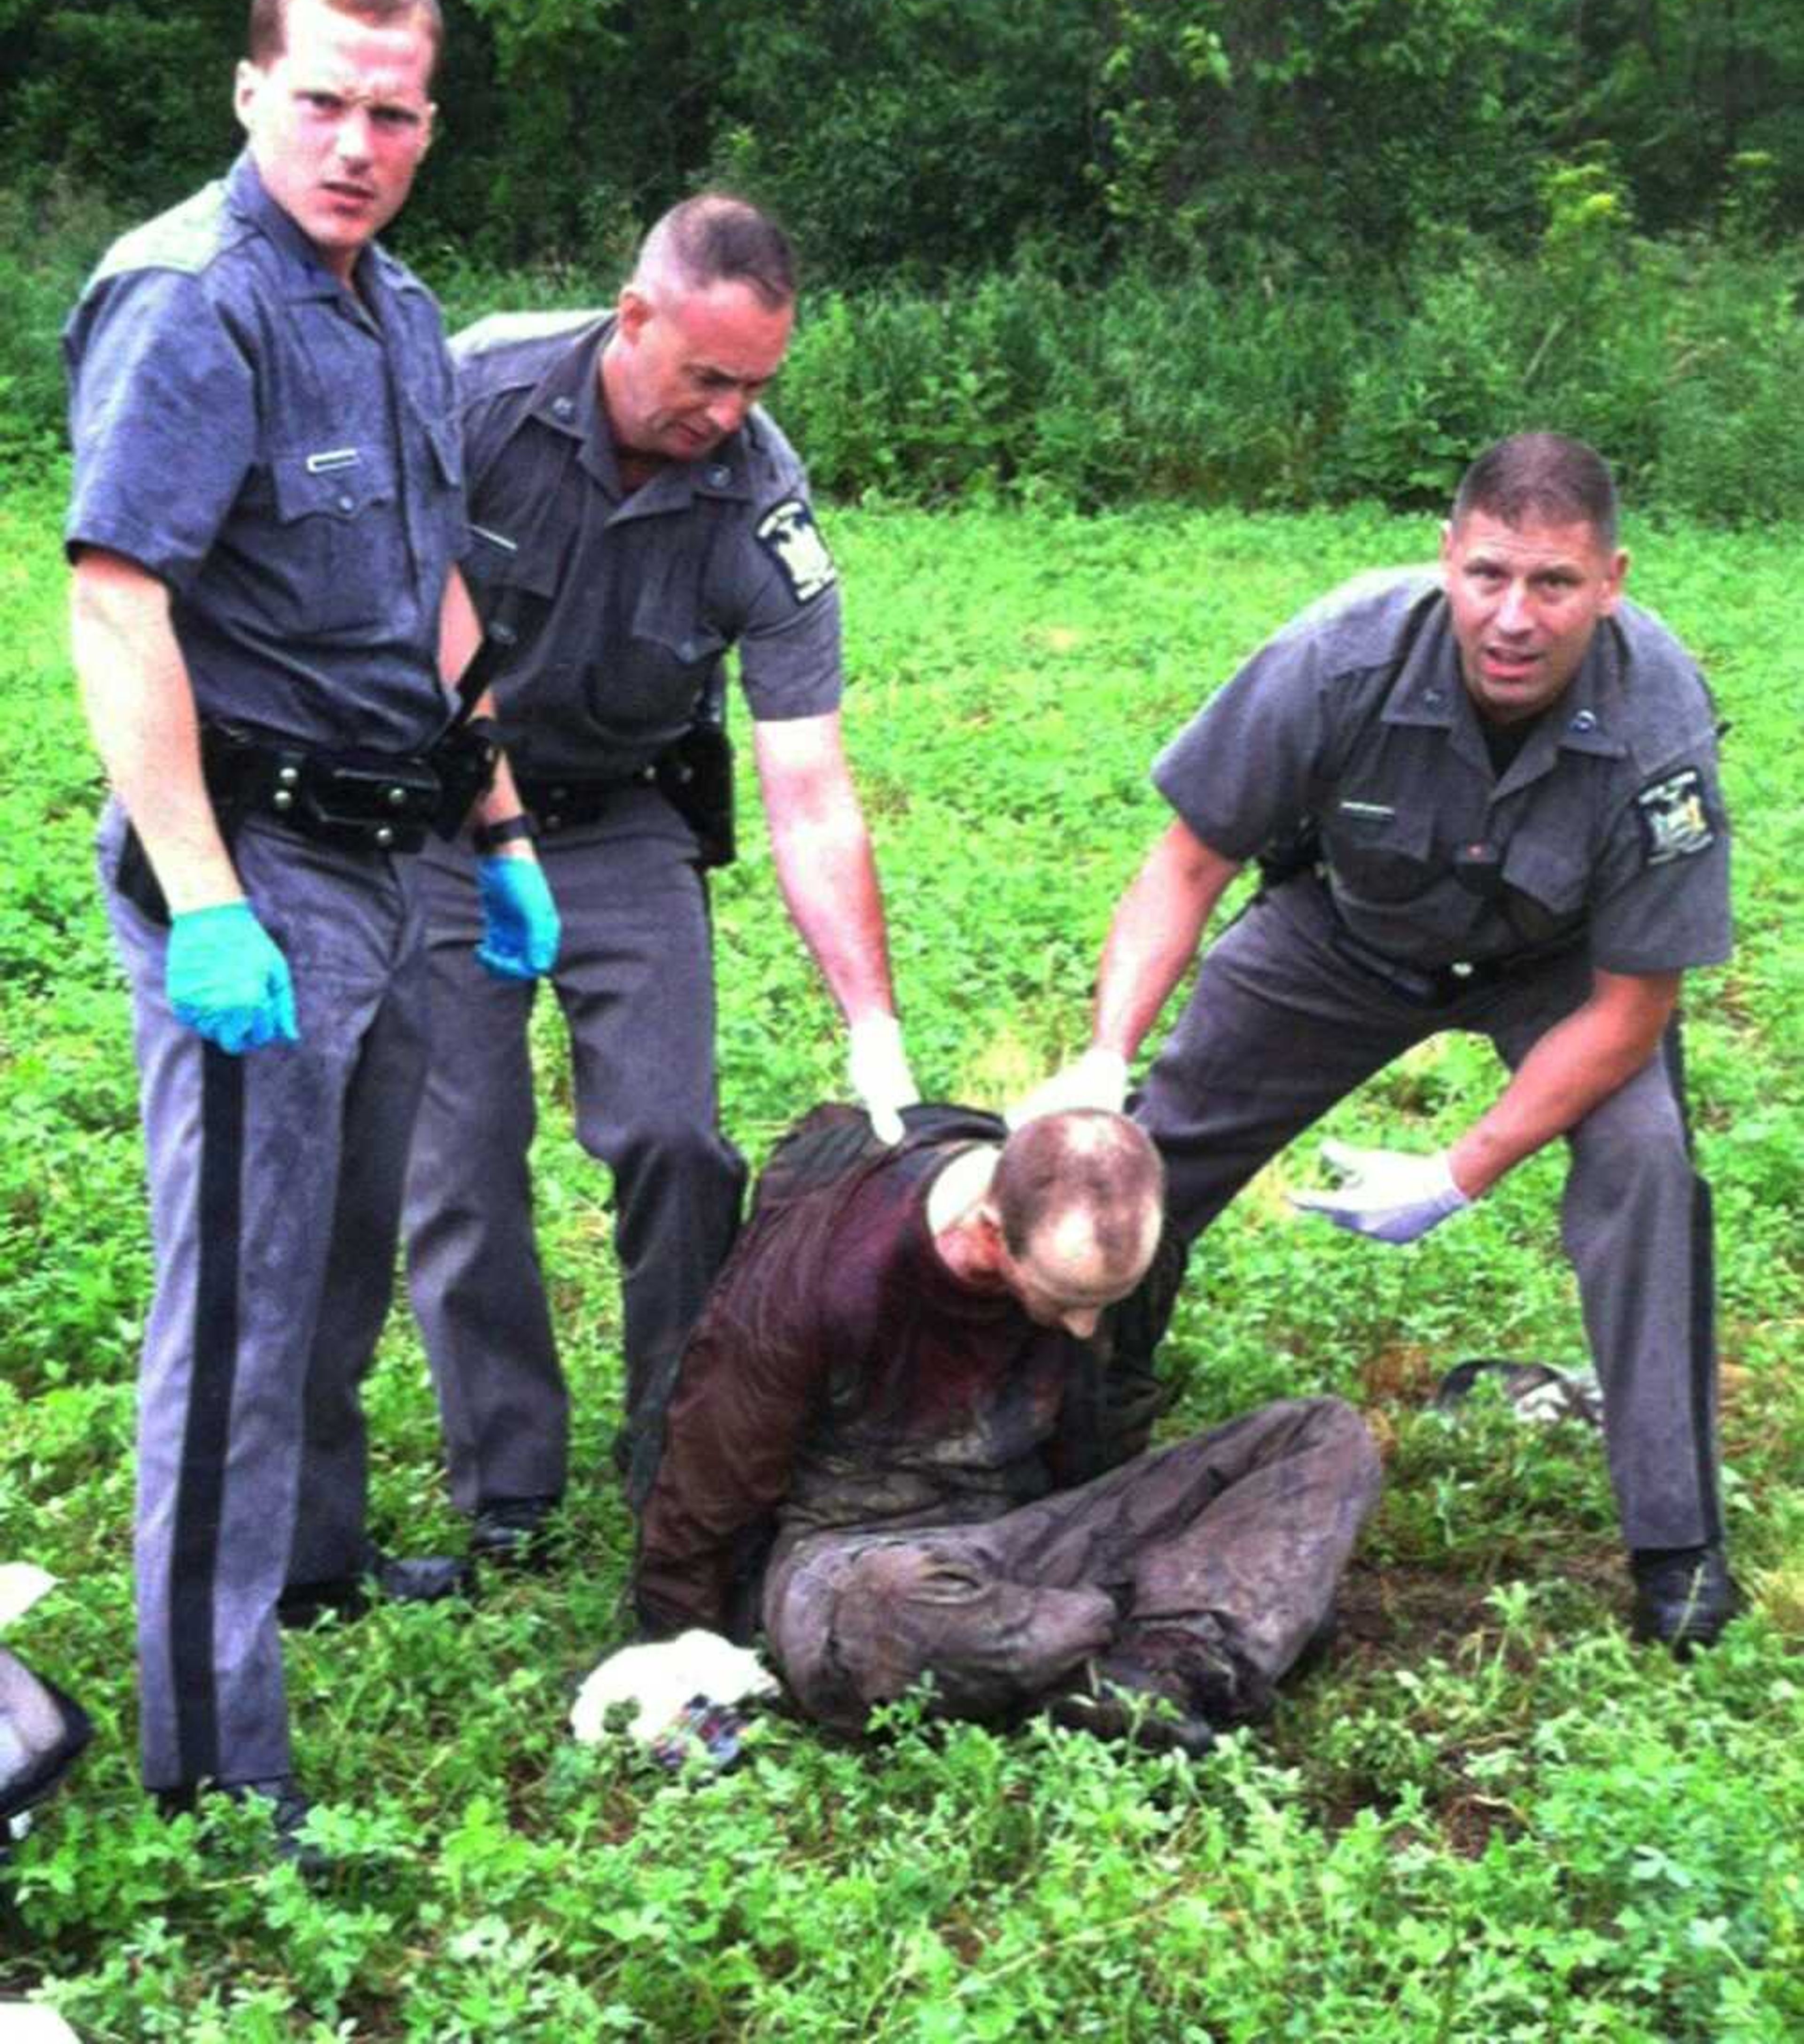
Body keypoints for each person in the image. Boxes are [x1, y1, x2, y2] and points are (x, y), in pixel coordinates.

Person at [63, 0, 559, 1851]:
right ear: (253, 87)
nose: (357, 141)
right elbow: (120, 605)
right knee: (242, 1307)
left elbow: (434, 587)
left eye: (395, 110)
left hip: (397, 849)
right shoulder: (193, 302)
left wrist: (501, 825)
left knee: (346, 1251)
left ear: (429, 123)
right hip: (252, 857)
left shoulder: (394, 308)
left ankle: (321, 1560)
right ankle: (210, 1760)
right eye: (325, 98)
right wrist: (203, 898)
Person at [1016, 433, 1736, 1654]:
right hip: (1346, 934)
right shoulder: (1337, 653)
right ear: (1448, 557)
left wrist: (1461, 1170)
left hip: (1556, 967)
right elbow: (1190, 861)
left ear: (1610, 581)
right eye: (1491, 574)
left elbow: (1631, 1005)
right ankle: (1072, 1404)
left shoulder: (1661, 728)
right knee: (1146, 1146)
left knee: (1647, 1166)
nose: (1515, 616)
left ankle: (1677, 1540)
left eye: (1554, 584)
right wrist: (1102, 1054)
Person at [402, 195, 917, 1543]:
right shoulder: (474, 395)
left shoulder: (764, 502)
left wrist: (875, 1029)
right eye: (707, 377)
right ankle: (509, 1481)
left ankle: (677, 1456)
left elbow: (808, 784)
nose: (730, 413)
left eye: (758, 383)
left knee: (676, 1139)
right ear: (633, 317)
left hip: (625, 816)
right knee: (459, 1158)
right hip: (453, 815)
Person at [633, 1103, 1381, 1750]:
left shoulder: (1123, 1255)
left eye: (1105, 1302)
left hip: (1042, 1531)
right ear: (990, 1233)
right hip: (859, 1552)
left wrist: (1125, 1528)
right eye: (1065, 1300)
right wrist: (680, 1643)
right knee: (886, 1610)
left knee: (1325, 1435)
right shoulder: (826, 1272)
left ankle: (1132, 1670)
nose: (1088, 1326)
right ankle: (1159, 1650)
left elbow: (1115, 1419)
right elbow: (712, 1467)